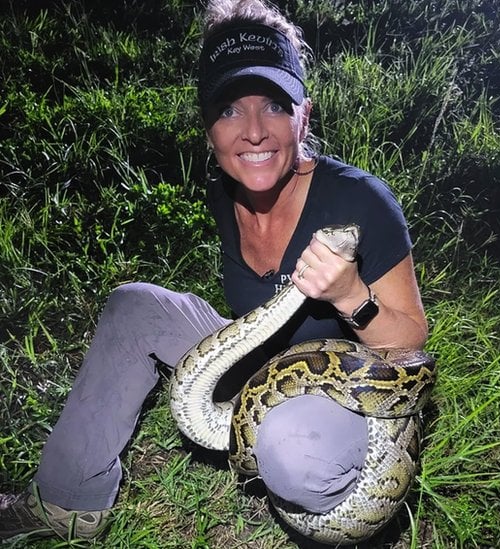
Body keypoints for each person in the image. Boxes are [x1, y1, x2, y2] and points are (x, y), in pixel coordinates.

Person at [0, 0, 428, 542]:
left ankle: (308, 474)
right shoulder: (224, 192)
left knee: (292, 452)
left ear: (305, 114)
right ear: (207, 128)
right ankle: (68, 505)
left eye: (274, 104)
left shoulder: (360, 201)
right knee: (134, 305)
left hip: (340, 391)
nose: (252, 132)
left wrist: (350, 296)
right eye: (228, 110)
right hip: (260, 368)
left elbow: (410, 339)